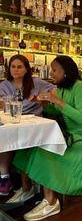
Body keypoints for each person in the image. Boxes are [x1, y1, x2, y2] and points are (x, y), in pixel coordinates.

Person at [6, 56, 82, 221]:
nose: (52, 73)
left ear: (65, 71)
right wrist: (46, 105)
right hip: (67, 135)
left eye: (54, 70)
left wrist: (56, 101)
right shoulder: (61, 88)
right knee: (27, 148)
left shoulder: (80, 87)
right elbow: (59, 112)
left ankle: (51, 201)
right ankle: (27, 190)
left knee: (44, 151)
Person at [0, 54, 53, 196]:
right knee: (4, 135)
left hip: (34, 127)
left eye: (19, 67)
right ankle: (4, 177)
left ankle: (24, 185)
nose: (16, 70)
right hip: (13, 124)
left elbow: (56, 90)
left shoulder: (37, 83)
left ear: (26, 70)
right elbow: (3, 106)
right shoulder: (4, 85)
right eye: (13, 67)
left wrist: (43, 97)